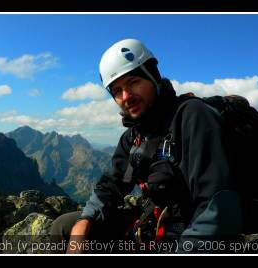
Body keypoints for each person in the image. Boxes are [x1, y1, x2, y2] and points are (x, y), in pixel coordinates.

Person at [50, 38, 244, 254]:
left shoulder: (193, 117)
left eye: (133, 82)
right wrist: (85, 220)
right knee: (65, 227)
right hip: (152, 228)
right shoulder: (134, 136)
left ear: (153, 76)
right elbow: (110, 184)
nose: (126, 97)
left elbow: (217, 209)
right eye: (116, 90)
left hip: (189, 238)